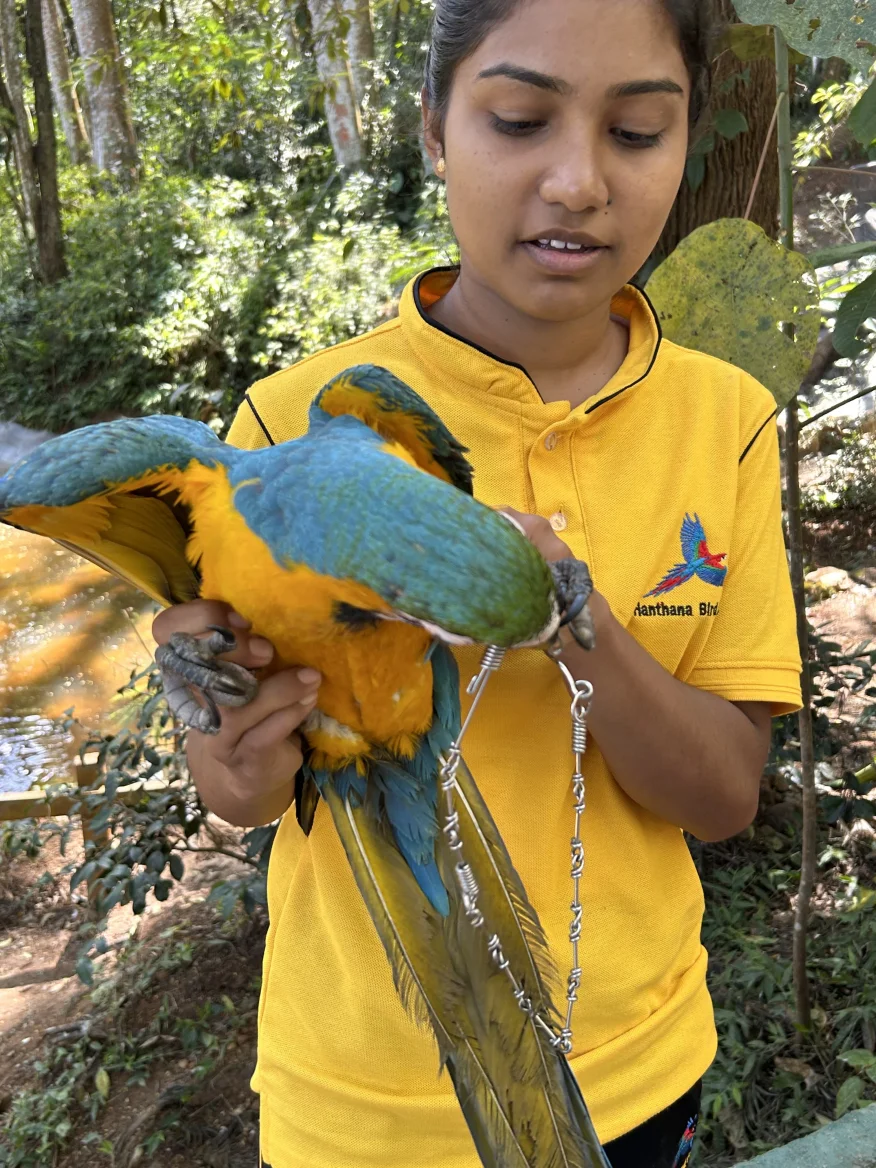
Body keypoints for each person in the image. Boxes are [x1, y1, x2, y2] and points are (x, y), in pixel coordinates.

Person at [153, 1, 803, 1164]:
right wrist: (232, 737)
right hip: (360, 1100)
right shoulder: (293, 425)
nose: (577, 182)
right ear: (436, 133)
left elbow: (723, 795)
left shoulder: (728, 422)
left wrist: (562, 606)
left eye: (638, 133)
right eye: (517, 118)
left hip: (638, 1071)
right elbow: (242, 795)